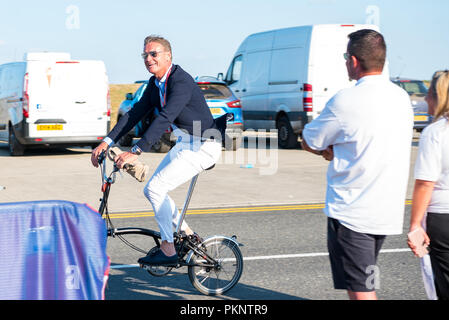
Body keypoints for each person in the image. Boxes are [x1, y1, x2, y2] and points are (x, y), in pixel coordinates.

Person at [301, 29, 413, 300]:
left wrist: (329, 151)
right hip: (387, 209)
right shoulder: (402, 98)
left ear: (353, 61)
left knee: (362, 289)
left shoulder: (345, 100)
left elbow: (310, 139)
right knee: (362, 282)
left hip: (353, 211)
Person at [91, 35, 222, 266]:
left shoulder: (180, 81)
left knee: (155, 189)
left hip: (204, 146)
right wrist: (107, 141)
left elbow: (166, 117)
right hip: (185, 144)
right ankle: (189, 236)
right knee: (153, 191)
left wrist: (137, 150)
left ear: (168, 56)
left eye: (154, 54)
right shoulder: (155, 84)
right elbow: (134, 114)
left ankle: (168, 248)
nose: (148, 59)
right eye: (145, 55)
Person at [408, 70, 449, 300]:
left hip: (443, 217)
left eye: (429, 94)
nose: (425, 99)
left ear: (440, 96)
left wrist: (415, 224)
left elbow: (425, 182)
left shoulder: (436, 132)